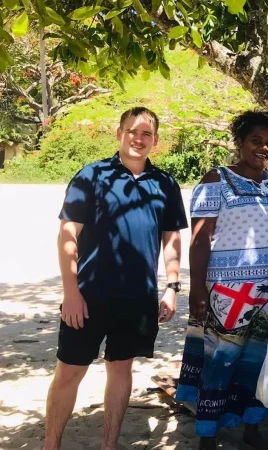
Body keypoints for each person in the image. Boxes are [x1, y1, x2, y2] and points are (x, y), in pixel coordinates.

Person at [44, 107, 187, 450]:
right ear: (119, 134)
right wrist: (71, 293)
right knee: (70, 371)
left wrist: (171, 287)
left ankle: (110, 445)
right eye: (132, 131)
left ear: (156, 140)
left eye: (146, 133)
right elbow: (67, 235)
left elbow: (171, 238)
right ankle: (50, 444)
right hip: (88, 296)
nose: (139, 139)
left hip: (138, 298)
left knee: (121, 369)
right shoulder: (91, 175)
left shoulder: (165, 184)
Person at [176, 111, 268, 450]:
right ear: (239, 142)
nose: (264, 148)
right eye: (256, 140)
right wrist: (197, 288)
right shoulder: (216, 179)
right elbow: (200, 239)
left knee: (257, 362)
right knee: (220, 363)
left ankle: (251, 428)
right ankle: (208, 435)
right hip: (227, 292)